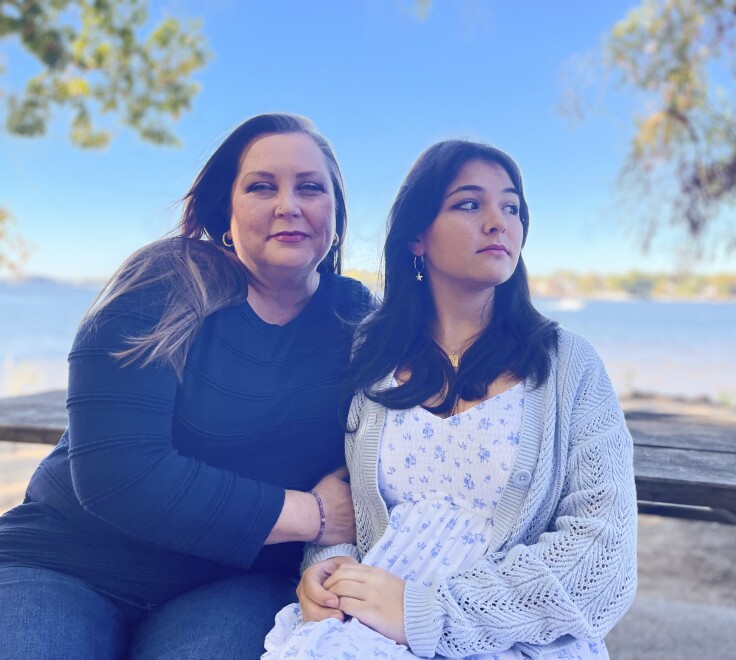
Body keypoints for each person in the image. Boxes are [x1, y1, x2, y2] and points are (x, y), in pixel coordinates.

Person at [0, 113, 374, 659]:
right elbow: (117, 476)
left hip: (229, 584)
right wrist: (315, 516)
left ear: (335, 215)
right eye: (261, 186)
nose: (287, 205)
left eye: (310, 187)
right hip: (65, 559)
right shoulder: (166, 282)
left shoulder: (359, 318)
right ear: (227, 211)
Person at [263, 140, 638, 659]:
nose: (497, 221)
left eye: (511, 207)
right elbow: (344, 496)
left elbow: (604, 555)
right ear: (417, 236)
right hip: (364, 631)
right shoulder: (371, 356)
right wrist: (326, 572)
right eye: (469, 203)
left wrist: (429, 614)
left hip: (512, 639)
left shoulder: (569, 366)